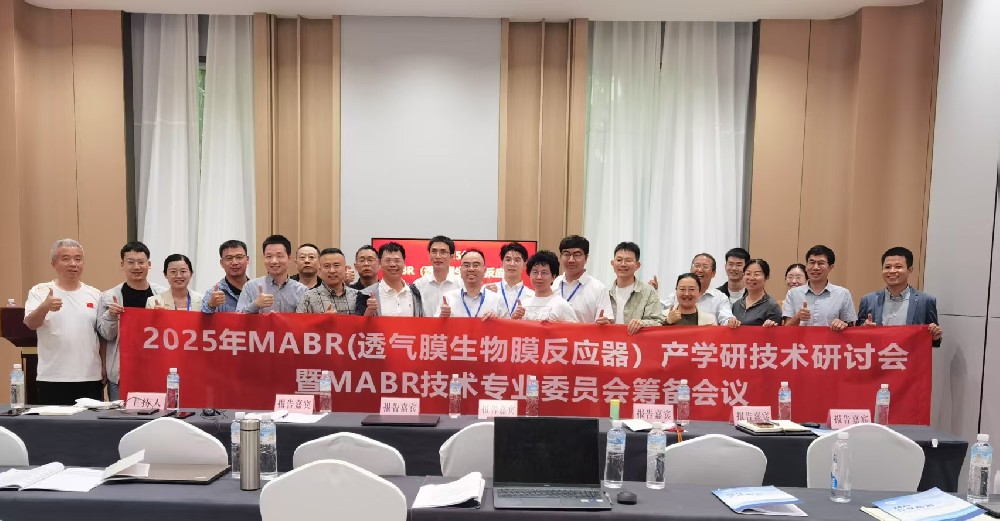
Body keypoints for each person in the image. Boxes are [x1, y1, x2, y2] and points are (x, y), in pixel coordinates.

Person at [23, 239, 104, 404]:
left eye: (78, 259)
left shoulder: (95, 294)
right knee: (54, 421)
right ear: (53, 263)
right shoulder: (40, 291)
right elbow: (31, 323)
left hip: (90, 376)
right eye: (66, 259)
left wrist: (104, 367)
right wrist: (45, 307)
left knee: (90, 421)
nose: (73, 264)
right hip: (52, 376)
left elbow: (102, 335)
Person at [97, 241, 166, 401]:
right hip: (121, 374)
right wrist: (111, 316)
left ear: (149, 264)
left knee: (157, 416)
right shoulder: (110, 296)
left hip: (155, 371)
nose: (136, 267)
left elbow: (172, 334)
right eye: (130, 262)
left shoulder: (162, 295)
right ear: (122, 265)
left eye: (141, 262)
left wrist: (164, 317)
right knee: (120, 416)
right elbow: (105, 335)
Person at [857, 247, 943, 346]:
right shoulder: (868, 300)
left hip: (909, 355)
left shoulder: (926, 301)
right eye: (887, 267)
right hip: (878, 354)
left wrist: (935, 336)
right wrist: (863, 327)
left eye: (898, 266)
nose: (892, 271)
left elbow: (933, 340)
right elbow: (856, 335)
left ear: (910, 270)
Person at [782, 245, 857, 331]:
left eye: (821, 263)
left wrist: (842, 324)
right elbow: (785, 330)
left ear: (831, 267)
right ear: (806, 266)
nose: (815, 267)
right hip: (801, 340)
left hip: (830, 340)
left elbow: (851, 329)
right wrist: (798, 317)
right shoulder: (793, 294)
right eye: (812, 262)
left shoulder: (843, 294)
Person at [237, 235, 307, 313]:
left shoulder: (301, 290)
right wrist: (256, 305)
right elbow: (237, 317)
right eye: (269, 256)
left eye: (279, 256)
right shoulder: (250, 287)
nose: (274, 261)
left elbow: (306, 319)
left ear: (289, 258)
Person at [661, 253, 737, 326]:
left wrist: (731, 321)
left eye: (705, 267)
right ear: (691, 269)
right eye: (697, 266)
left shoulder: (720, 298)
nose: (700, 270)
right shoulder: (677, 294)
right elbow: (658, 311)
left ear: (713, 273)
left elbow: (726, 318)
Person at [552, 235, 613, 323]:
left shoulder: (598, 289)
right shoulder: (554, 283)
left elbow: (606, 322)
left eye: (577, 255)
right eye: (566, 254)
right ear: (561, 256)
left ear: (586, 258)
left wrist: (605, 322)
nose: (571, 260)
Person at [608, 242, 662, 334]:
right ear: (613, 263)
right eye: (619, 260)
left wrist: (642, 323)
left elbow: (658, 322)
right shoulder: (604, 292)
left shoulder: (649, 292)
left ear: (637, 265)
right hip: (611, 342)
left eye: (628, 260)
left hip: (637, 342)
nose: (623, 264)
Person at [359, 241, 425, 317]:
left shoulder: (415, 293)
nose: (392, 264)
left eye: (397, 260)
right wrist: (369, 311)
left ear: (404, 263)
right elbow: (359, 323)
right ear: (379, 263)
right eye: (387, 260)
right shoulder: (366, 294)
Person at [438, 249, 504, 318]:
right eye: (466, 265)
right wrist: (442, 316)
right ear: (460, 271)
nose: (471, 269)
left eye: (476, 265)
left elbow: (507, 324)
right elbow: (435, 323)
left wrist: (496, 321)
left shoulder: (497, 300)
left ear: (484, 270)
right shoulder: (448, 298)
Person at [514, 250, 577, 322]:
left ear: (553, 276)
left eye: (544, 273)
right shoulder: (523, 305)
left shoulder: (562, 305)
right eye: (535, 272)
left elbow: (574, 329)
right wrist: (515, 319)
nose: (539, 277)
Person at [297, 248, 362, 314]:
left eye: (336, 265)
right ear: (319, 270)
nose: (332, 270)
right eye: (327, 266)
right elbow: (298, 320)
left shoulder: (357, 296)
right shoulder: (308, 297)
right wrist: (322, 318)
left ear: (345, 269)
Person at [413, 235, 461, 316]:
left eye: (443, 252)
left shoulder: (461, 284)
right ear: (429, 255)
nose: (438, 256)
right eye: (434, 251)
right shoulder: (418, 285)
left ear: (451, 257)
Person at [486, 241, 535, 318]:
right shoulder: (489, 291)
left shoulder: (532, 295)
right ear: (501, 263)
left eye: (517, 260)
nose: (512, 264)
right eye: (508, 260)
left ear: (525, 265)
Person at [202, 239, 250, 313]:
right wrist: (211, 305)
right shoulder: (213, 294)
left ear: (247, 259)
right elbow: (202, 317)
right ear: (221, 263)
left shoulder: (256, 289)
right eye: (229, 258)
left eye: (239, 257)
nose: (234, 262)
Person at [731, 259, 782, 327]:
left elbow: (776, 332)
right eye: (748, 274)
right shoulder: (736, 305)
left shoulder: (772, 306)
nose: (751, 278)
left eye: (756, 274)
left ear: (766, 277)